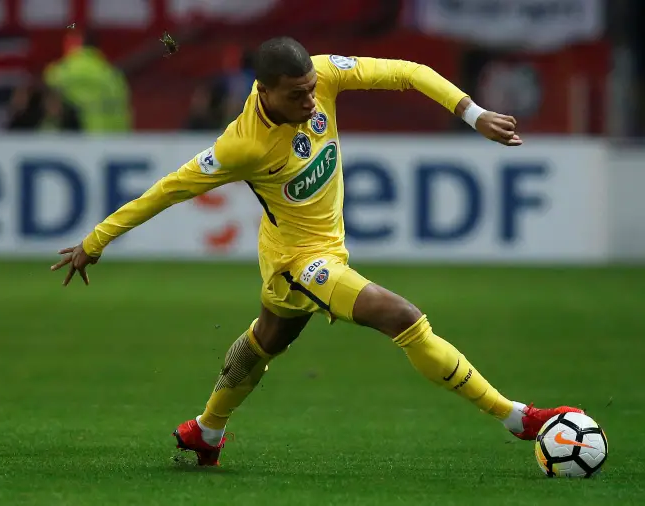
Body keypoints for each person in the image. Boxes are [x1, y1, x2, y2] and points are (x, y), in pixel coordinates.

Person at [51, 37, 582, 467]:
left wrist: (473, 114)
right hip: (296, 262)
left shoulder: (323, 75)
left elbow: (409, 71)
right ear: (264, 91)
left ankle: (206, 431)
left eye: (312, 89)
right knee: (403, 317)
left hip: (321, 249)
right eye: (297, 95)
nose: (312, 101)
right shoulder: (242, 144)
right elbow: (166, 189)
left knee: (267, 340)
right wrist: (95, 243)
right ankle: (517, 418)